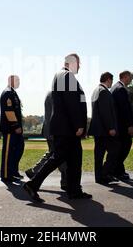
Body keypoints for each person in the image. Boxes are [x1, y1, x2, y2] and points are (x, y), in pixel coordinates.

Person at [23, 53, 91, 203]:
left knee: (73, 159)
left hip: (64, 127)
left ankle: (74, 190)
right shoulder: (67, 77)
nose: (79, 66)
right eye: (78, 63)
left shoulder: (61, 76)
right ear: (72, 63)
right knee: (59, 158)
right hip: (68, 128)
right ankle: (33, 185)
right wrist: (79, 125)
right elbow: (72, 103)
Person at [25, 91, 67, 190]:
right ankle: (65, 181)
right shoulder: (57, 94)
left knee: (52, 153)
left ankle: (34, 171)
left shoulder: (50, 93)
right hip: (55, 130)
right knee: (60, 156)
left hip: (50, 129)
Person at [88, 72, 120, 184]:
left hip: (98, 129)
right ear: (108, 79)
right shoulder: (103, 92)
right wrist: (111, 127)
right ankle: (104, 174)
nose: (112, 83)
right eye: (111, 80)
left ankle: (100, 177)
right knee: (115, 151)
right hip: (104, 130)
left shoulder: (96, 90)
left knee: (99, 155)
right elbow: (105, 112)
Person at [111, 71, 133, 181]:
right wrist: (129, 125)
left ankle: (119, 170)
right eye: (130, 77)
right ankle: (117, 170)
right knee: (124, 147)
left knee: (120, 148)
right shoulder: (121, 89)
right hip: (122, 125)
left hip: (117, 124)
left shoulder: (114, 87)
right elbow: (124, 109)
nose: (131, 79)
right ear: (125, 77)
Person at [0, 75, 24, 182]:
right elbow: (9, 111)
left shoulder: (12, 92)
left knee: (18, 150)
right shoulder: (7, 93)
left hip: (15, 129)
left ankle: (13, 171)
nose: (19, 82)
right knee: (8, 152)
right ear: (11, 81)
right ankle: (5, 174)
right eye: (17, 80)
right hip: (10, 129)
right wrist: (16, 126)